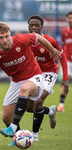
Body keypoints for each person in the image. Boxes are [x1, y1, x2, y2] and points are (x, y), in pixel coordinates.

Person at [26, 15, 69, 143]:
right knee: (29, 108)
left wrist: (65, 79)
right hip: (34, 74)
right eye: (31, 25)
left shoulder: (50, 41)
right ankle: (50, 111)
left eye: (36, 25)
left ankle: (34, 136)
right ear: (28, 27)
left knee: (38, 102)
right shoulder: (24, 41)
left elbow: (63, 57)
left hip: (49, 72)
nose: (34, 27)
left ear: (41, 27)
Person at [57, 11, 72, 112]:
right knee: (65, 81)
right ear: (66, 19)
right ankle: (61, 105)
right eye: (69, 18)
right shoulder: (64, 32)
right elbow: (63, 46)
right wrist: (59, 61)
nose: (70, 20)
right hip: (68, 61)